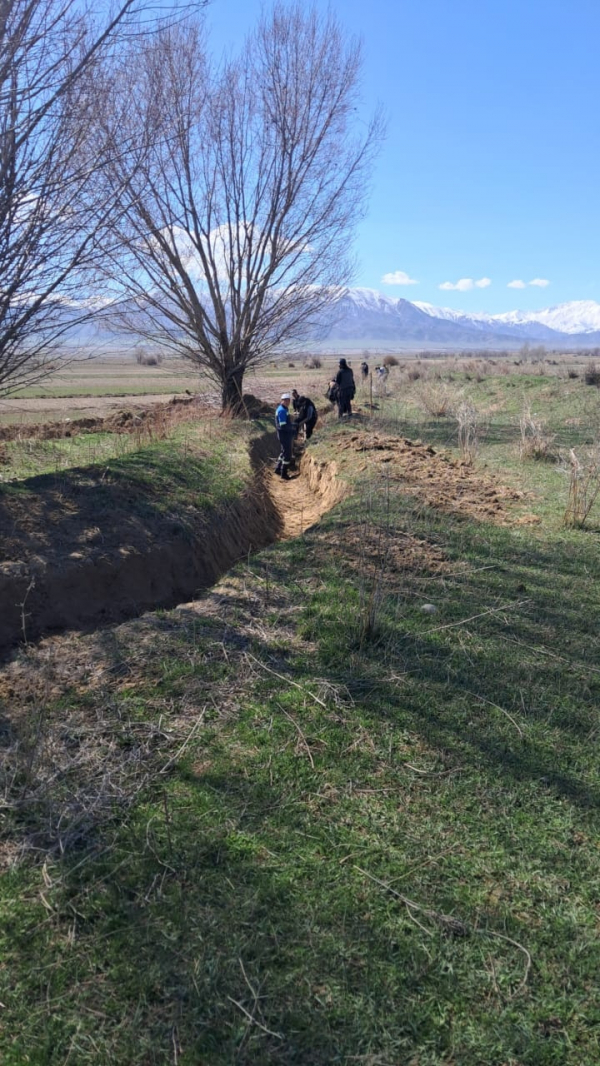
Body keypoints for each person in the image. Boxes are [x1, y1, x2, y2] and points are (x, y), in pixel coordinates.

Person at [274, 393, 296, 479]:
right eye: (285, 400)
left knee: (283, 451)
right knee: (287, 454)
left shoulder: (283, 409)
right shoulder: (282, 410)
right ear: (282, 401)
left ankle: (277, 469)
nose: (287, 402)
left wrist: (291, 426)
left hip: (283, 434)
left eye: (288, 401)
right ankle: (284, 473)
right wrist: (291, 429)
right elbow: (283, 425)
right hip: (284, 435)